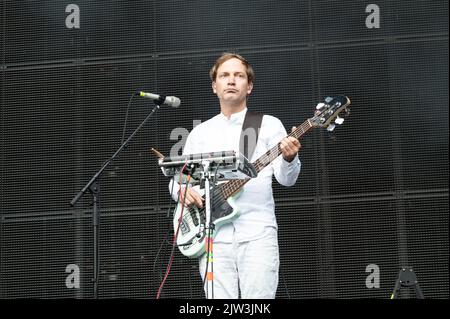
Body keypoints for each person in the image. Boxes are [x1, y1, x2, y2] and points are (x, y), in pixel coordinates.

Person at [169, 52, 301, 299]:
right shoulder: (200, 133)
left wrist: (289, 158)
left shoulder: (269, 125)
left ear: (249, 86)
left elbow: (287, 179)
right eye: (225, 75)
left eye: (239, 76)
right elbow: (180, 178)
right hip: (212, 236)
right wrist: (183, 191)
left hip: (257, 234)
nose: (231, 80)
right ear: (214, 87)